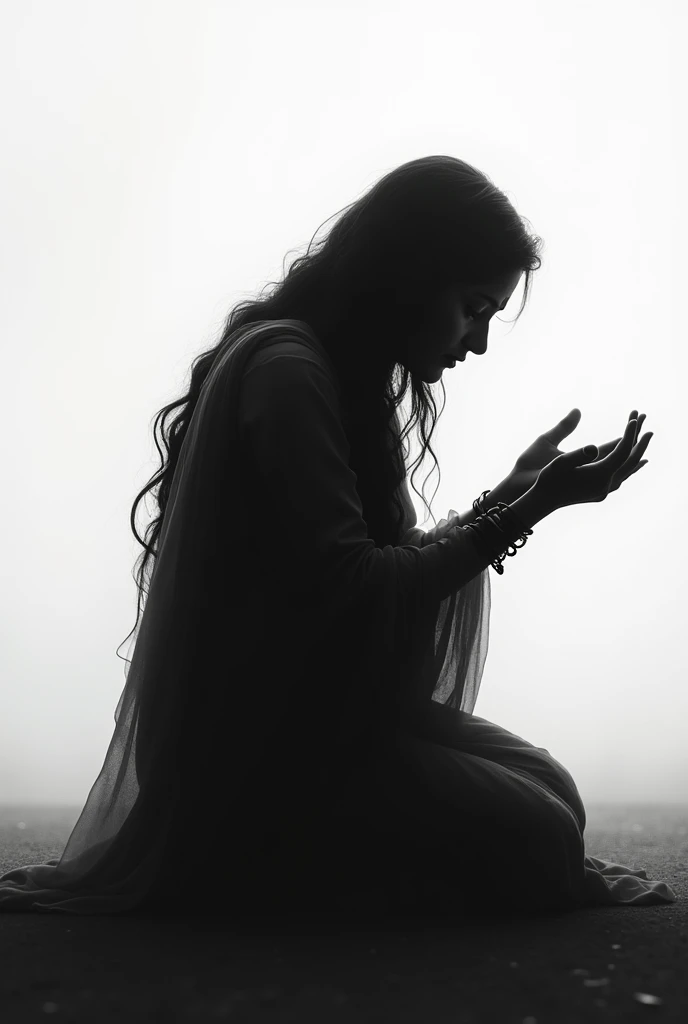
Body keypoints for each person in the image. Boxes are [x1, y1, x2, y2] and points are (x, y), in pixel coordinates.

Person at [0, 155, 676, 921]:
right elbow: (355, 586)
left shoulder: (352, 377)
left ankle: (339, 863)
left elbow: (390, 565)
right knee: (544, 832)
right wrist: (526, 513)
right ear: (412, 276)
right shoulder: (289, 370)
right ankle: (275, 866)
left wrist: (517, 490)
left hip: (320, 722)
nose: (479, 344)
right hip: (261, 747)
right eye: (472, 308)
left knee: (552, 789)